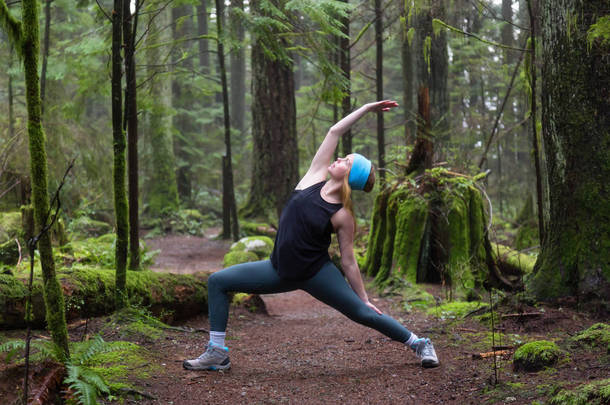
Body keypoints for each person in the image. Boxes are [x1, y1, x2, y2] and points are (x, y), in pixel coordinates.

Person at [183, 100, 440, 371]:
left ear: (350, 174)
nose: (339, 158)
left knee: (362, 313)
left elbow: (349, 261)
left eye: (346, 161)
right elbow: (334, 131)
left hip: (316, 274)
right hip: (277, 269)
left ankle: (420, 343)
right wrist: (366, 109)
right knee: (217, 282)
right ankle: (217, 352)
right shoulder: (313, 177)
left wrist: (363, 297)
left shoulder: (342, 215)